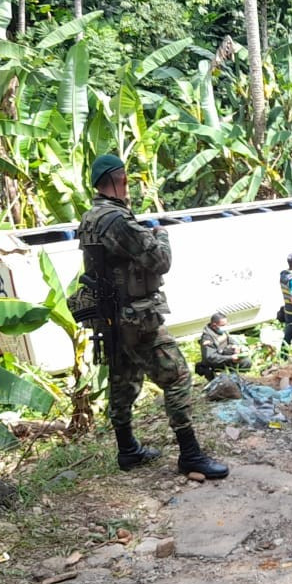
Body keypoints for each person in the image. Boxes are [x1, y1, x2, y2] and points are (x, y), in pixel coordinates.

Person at [77, 154, 228, 478]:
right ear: (119, 179)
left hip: (111, 318)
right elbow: (160, 261)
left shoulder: (90, 217)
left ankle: (128, 449)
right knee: (177, 376)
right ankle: (190, 454)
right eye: (127, 179)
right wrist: (161, 234)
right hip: (136, 319)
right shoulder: (115, 219)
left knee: (124, 378)